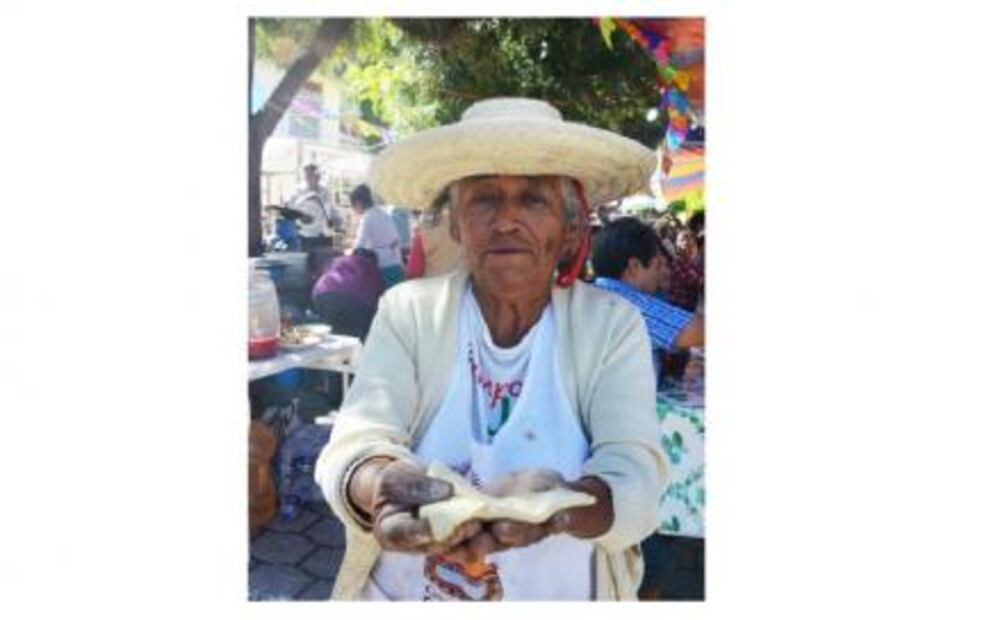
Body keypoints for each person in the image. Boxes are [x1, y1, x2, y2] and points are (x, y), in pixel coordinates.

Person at [314, 97, 669, 601]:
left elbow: (635, 474)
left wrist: (562, 508)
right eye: (483, 199)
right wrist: (380, 485)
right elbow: (355, 442)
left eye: (533, 200)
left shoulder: (611, 326)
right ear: (456, 224)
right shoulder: (408, 311)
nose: (506, 220)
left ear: (571, 230)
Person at [590, 217, 704, 380]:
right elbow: (698, 331)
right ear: (634, 267)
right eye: (657, 266)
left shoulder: (597, 292)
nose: (662, 273)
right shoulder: (625, 304)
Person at [311, 248, 385, 341]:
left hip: (321, 294)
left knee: (335, 334)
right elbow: (380, 299)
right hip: (353, 301)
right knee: (362, 337)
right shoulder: (371, 267)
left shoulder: (340, 260)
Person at [349, 184, 405, 288]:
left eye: (353, 206)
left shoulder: (367, 217)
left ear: (358, 203)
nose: (354, 210)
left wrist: (349, 255)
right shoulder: (384, 214)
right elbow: (396, 239)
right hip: (397, 264)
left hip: (383, 267)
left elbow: (359, 245)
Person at [405, 190, 465, 279]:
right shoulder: (464, 220)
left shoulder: (424, 226)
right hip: (462, 283)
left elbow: (414, 271)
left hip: (434, 285)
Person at [288, 163, 341, 251]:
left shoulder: (325, 192)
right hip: (304, 236)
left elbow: (331, 210)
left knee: (324, 258)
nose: (310, 178)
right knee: (306, 258)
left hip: (323, 235)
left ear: (319, 176)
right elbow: (290, 212)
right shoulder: (297, 192)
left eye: (313, 175)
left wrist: (337, 221)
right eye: (308, 176)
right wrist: (300, 217)